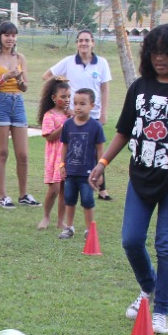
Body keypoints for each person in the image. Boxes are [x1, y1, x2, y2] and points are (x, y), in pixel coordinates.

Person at [88, 23, 168, 335]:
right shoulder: (140, 86)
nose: (160, 59)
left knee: (166, 244)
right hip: (141, 175)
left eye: (167, 53)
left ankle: (162, 311)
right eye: (154, 52)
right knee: (131, 240)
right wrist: (103, 162)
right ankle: (148, 287)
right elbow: (123, 131)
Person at [41, 29, 112, 199]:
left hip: (93, 114)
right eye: (80, 40)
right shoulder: (68, 61)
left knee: (96, 151)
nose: (84, 44)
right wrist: (63, 96)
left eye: (87, 40)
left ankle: (101, 188)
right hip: (74, 116)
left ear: (93, 42)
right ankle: (72, 184)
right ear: (76, 43)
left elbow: (104, 88)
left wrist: (103, 113)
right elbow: (47, 76)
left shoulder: (101, 63)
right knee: (74, 150)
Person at [0, 22, 37, 208]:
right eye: (7, 35)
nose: (10, 39)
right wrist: (4, 77)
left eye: (14, 35)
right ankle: (3, 196)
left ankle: (23, 194)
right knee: (2, 152)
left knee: (22, 154)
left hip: (18, 103)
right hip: (0, 103)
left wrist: (20, 79)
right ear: (0, 36)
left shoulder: (20, 58)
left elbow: (25, 87)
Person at [57, 88, 105, 240]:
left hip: (88, 174)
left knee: (87, 201)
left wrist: (100, 171)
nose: (78, 107)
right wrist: (62, 165)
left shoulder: (96, 127)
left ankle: (89, 229)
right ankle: (69, 227)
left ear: (92, 105)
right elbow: (64, 145)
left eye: (82, 104)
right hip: (71, 171)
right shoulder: (68, 125)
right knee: (69, 199)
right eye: (75, 103)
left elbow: (100, 150)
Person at [36, 76, 72, 230]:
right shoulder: (49, 115)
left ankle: (61, 221)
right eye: (63, 97)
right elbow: (49, 136)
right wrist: (65, 125)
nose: (67, 100)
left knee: (65, 189)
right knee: (54, 189)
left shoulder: (70, 115)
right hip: (54, 157)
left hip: (67, 156)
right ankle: (46, 217)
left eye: (69, 96)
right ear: (54, 98)